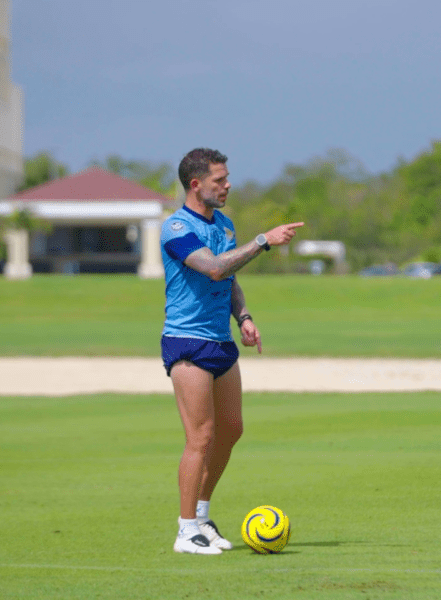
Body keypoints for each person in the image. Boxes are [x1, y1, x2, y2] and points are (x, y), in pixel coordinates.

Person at [161, 148, 303, 554]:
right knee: (201, 436)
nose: (227, 186)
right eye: (219, 180)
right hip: (187, 340)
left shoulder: (223, 224)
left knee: (231, 430)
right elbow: (214, 267)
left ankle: (202, 517)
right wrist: (264, 240)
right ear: (195, 184)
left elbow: (229, 278)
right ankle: (186, 530)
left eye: (226, 178)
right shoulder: (175, 228)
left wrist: (243, 316)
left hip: (220, 341)